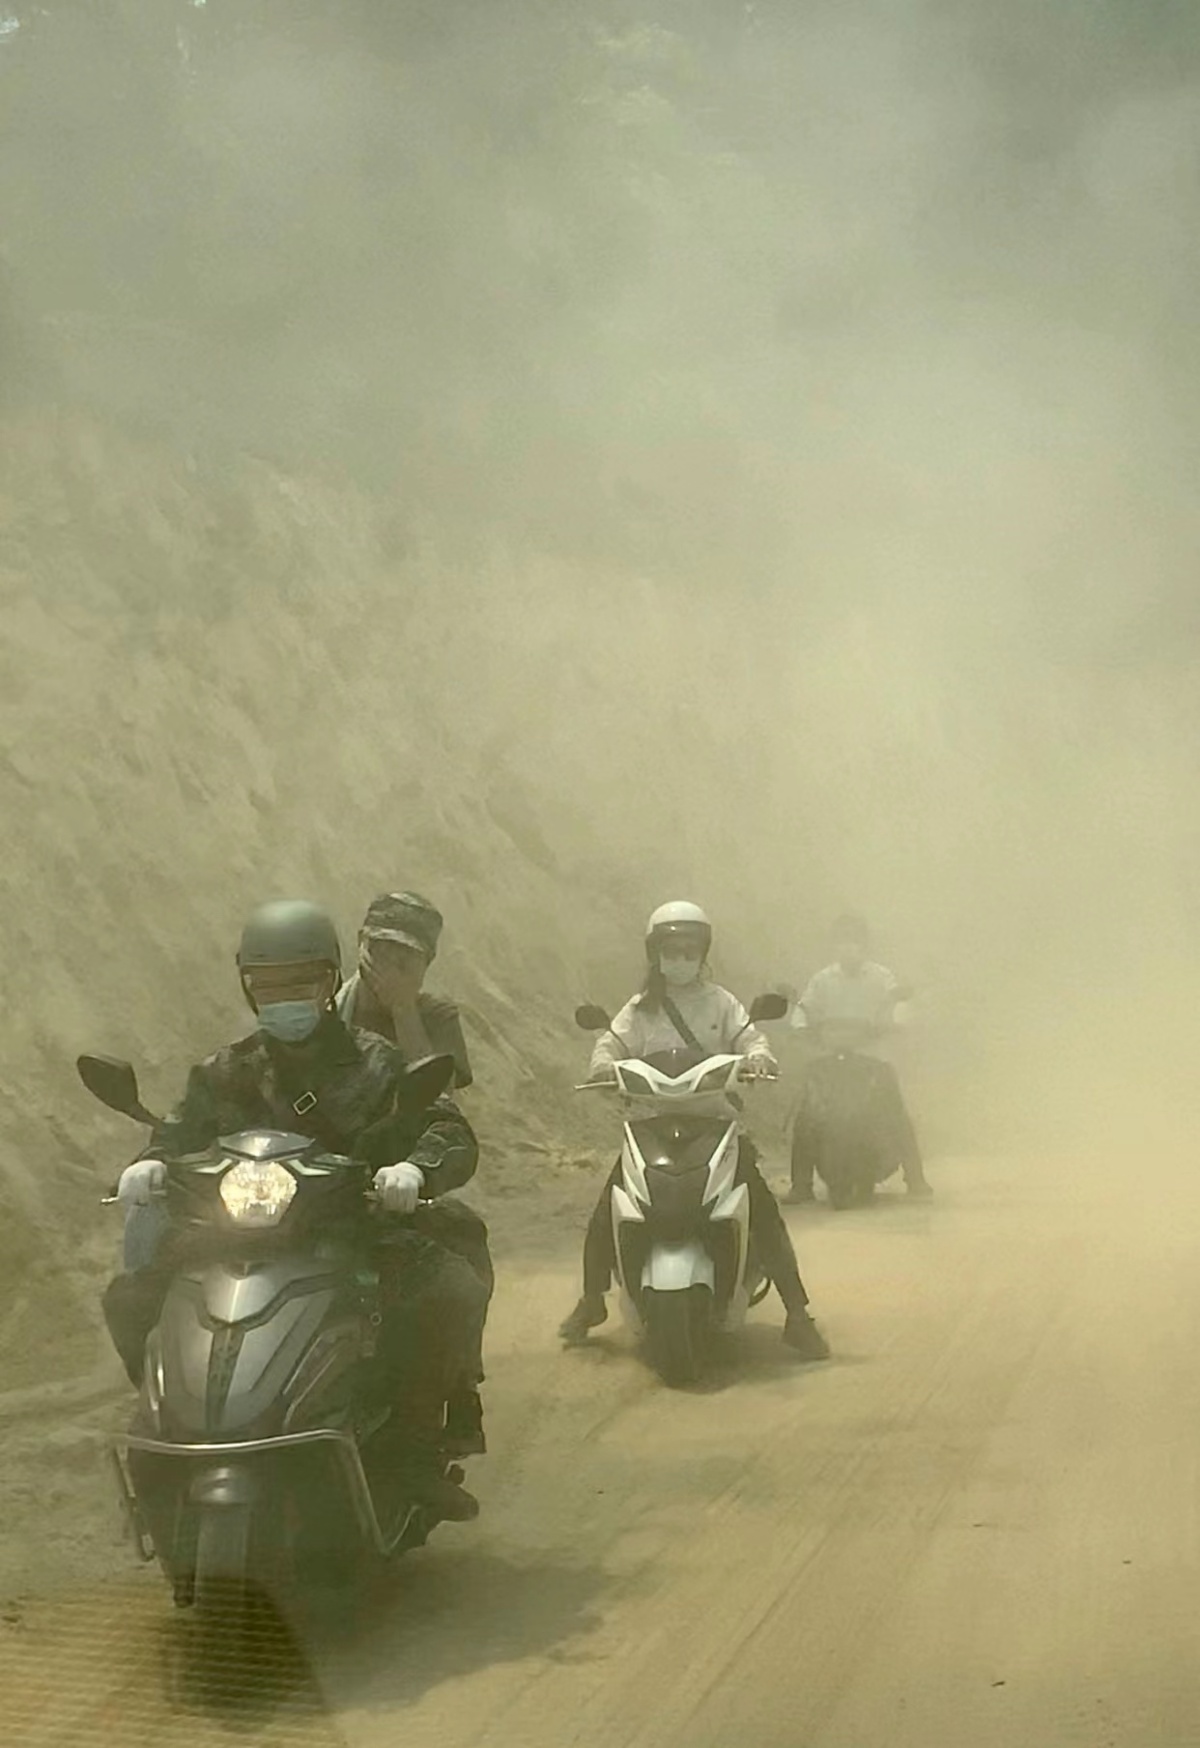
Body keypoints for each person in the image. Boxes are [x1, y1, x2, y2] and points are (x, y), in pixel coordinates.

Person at [104, 898, 491, 1521]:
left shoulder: (378, 1062)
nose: (283, 1001)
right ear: (248, 989)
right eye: (268, 987)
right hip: (230, 1236)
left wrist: (414, 1169)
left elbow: (447, 1129)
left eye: (299, 985)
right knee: (130, 1299)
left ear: (330, 980)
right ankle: (172, 1425)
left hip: (350, 1231)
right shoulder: (226, 1069)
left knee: (449, 1290)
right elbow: (179, 1133)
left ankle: (415, 1450)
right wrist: (148, 1162)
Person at [558, 901, 830, 1360]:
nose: (679, 958)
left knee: (762, 1209)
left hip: (714, 1123)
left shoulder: (722, 1003)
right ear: (655, 954)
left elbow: (750, 1037)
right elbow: (611, 1042)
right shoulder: (639, 1009)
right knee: (608, 1208)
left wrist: (760, 1057)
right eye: (670, 949)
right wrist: (602, 1065)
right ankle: (591, 1301)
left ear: (702, 952)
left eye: (688, 949)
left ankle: (798, 1314)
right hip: (649, 1123)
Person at [788, 912, 932, 1201]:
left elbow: (897, 1004)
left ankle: (915, 1179)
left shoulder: (882, 978)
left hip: (872, 1060)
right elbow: (803, 1010)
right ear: (834, 946)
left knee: (896, 1111)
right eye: (842, 942)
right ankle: (801, 1186)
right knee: (806, 1115)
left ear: (865, 946)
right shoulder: (822, 980)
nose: (848, 948)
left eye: (854, 941)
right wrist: (801, 1027)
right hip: (829, 1059)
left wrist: (896, 1022)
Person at [337, 890, 473, 1089]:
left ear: (426, 963)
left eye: (405, 959)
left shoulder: (438, 1018)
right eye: (383, 950)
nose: (391, 966)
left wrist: (404, 1010)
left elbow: (438, 1099)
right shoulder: (327, 1010)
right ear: (362, 944)